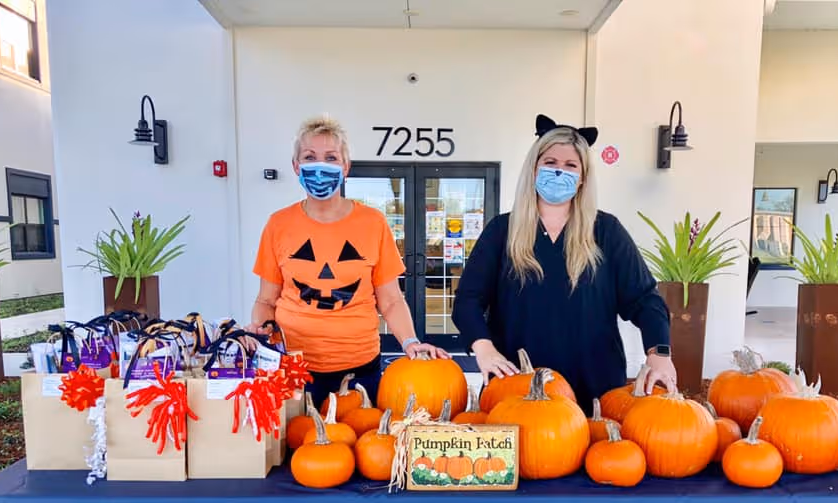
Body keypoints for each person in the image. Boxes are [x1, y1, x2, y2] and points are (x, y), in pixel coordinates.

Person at [451, 114, 677, 406]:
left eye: (571, 165)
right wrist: (484, 348)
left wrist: (659, 353)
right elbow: (467, 300)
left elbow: (645, 299)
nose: (559, 172)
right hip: (516, 390)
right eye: (550, 163)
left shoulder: (606, 231)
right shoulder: (502, 231)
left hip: (594, 392)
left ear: (583, 177)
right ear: (533, 169)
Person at [250, 115, 447, 410]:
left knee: (360, 445)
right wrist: (260, 330)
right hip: (294, 370)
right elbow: (266, 300)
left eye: (330, 157)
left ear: (345, 167)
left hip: (359, 368)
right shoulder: (278, 225)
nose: (320, 165)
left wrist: (410, 343)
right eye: (309, 157)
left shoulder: (373, 223)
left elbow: (391, 300)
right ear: (296, 166)